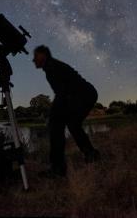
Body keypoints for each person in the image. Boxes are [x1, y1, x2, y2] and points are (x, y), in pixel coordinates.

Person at [33, 45, 100, 177]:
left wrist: (53, 115)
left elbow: (61, 93)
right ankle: (91, 154)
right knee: (73, 124)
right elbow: (63, 93)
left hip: (83, 95)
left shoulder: (52, 67)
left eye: (35, 56)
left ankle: (58, 169)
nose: (33, 60)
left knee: (56, 126)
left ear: (43, 56)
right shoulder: (50, 67)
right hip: (86, 94)